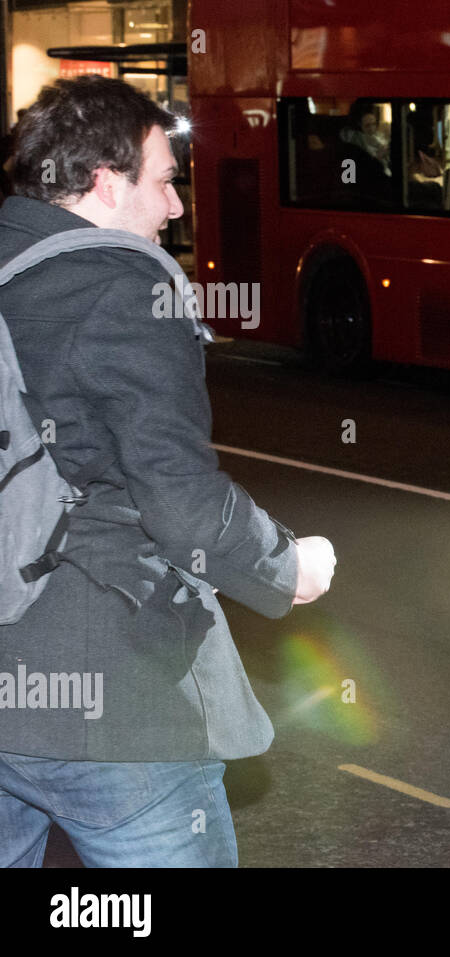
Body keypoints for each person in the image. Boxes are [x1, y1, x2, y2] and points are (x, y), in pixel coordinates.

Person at [0, 76, 337, 867]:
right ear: (105, 182)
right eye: (165, 181)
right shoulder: (125, 285)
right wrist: (287, 566)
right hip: (112, 700)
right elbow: (180, 501)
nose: (177, 207)